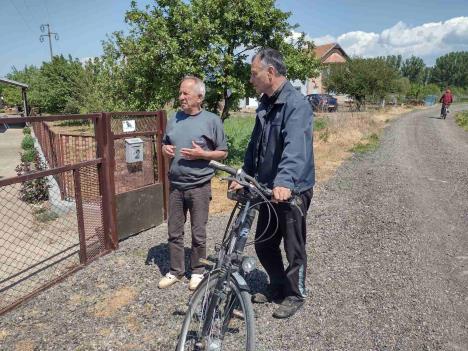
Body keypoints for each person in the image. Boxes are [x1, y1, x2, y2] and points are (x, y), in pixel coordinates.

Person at [231, 48, 315, 319]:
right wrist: (243, 177)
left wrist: (285, 181)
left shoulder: (295, 104)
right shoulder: (265, 103)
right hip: (267, 187)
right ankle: (277, 284)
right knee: (265, 243)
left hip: (292, 189)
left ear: (270, 72)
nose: (251, 79)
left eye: (254, 74)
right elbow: (255, 146)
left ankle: (295, 294)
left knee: (293, 246)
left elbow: (296, 148)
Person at [158, 76, 228, 291]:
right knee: (174, 231)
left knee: (198, 232)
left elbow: (223, 153)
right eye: (180, 93)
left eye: (185, 94)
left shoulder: (212, 120)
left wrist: (203, 154)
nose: (181, 97)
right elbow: (164, 145)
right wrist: (164, 150)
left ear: (199, 96)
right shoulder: (174, 119)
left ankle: (197, 271)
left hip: (199, 185)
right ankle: (176, 271)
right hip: (176, 185)